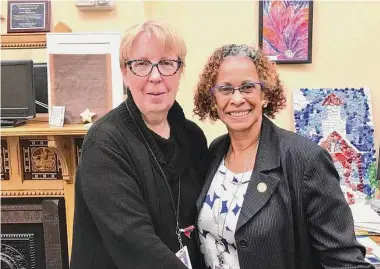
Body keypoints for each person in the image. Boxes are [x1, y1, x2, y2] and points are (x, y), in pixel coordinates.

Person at [193, 44, 374, 269]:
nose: (237, 99)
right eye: (226, 89)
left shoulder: (306, 160)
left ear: (265, 95)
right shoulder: (215, 151)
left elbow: (344, 261)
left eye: (248, 87)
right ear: (213, 99)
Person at [70, 20, 210, 269]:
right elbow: (134, 242)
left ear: (180, 71)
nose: (155, 77)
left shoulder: (194, 138)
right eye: (142, 64)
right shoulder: (105, 143)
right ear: (125, 72)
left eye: (167, 63)